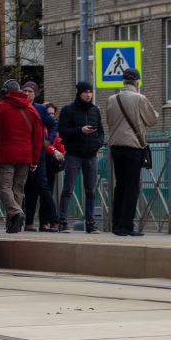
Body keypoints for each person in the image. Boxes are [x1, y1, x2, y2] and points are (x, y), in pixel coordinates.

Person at [105, 68, 158, 237]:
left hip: (115, 146)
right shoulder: (140, 98)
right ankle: (127, 226)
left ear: (123, 82)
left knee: (119, 186)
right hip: (133, 147)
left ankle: (116, 225)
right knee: (132, 187)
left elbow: (109, 121)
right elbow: (152, 120)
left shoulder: (111, 99)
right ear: (138, 82)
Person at [0, 79, 45, 233]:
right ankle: (13, 224)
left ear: (4, 92)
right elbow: (38, 137)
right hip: (25, 155)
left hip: (5, 155)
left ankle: (16, 214)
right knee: (18, 188)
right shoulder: (31, 110)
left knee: (3, 186)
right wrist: (35, 159)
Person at [57, 81, 104, 233]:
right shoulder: (68, 110)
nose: (88, 94)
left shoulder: (95, 111)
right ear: (79, 93)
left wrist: (98, 144)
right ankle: (63, 221)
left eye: (90, 92)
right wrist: (80, 131)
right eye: (85, 92)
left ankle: (90, 223)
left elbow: (101, 131)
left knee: (91, 191)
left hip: (91, 155)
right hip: (73, 155)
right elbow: (62, 131)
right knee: (68, 189)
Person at [21, 82, 60, 231]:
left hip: (39, 154)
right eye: (24, 90)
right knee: (29, 189)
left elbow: (53, 125)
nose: (26, 93)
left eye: (30, 91)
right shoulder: (20, 107)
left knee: (43, 187)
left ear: (35, 94)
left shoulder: (41, 109)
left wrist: (49, 140)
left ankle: (52, 221)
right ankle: (29, 222)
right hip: (23, 152)